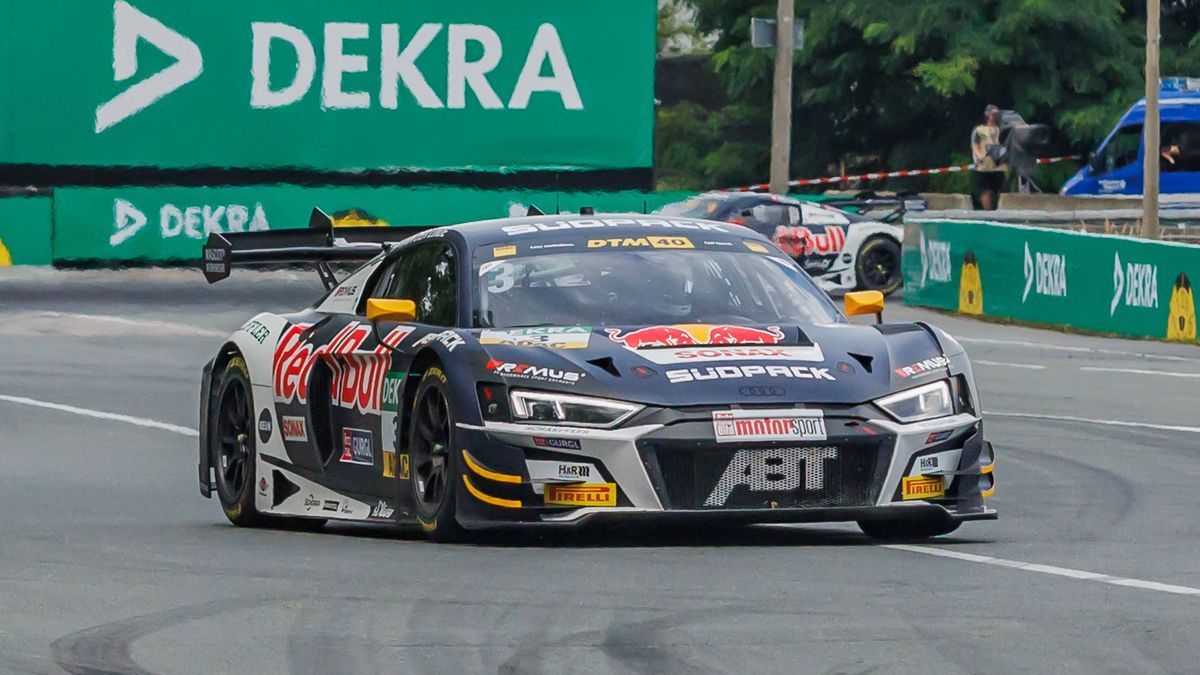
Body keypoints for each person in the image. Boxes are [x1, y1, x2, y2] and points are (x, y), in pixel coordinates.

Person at [971, 105, 1007, 210]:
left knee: (1001, 190)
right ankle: (988, 214)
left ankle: (1001, 212)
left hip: (998, 165)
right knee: (986, 191)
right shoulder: (979, 130)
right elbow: (975, 145)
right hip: (984, 166)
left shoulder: (1000, 130)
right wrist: (979, 156)